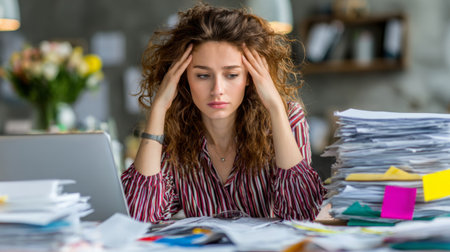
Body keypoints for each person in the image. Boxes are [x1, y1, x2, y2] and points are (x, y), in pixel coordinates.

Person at [121, 3, 326, 224]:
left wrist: (276, 107)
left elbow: (302, 215)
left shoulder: (288, 118)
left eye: (231, 75)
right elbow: (139, 217)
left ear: (250, 77)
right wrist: (159, 107)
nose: (217, 89)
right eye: (202, 76)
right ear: (183, 78)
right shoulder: (172, 129)